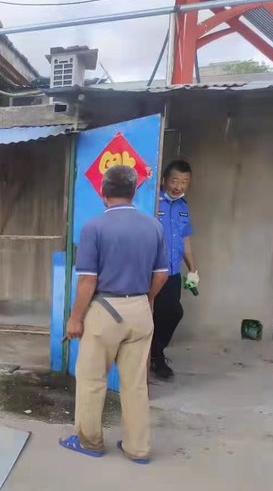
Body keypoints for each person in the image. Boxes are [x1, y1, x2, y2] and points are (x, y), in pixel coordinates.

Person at [60, 165, 169, 464]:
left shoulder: (94, 227)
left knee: (92, 379)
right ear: (134, 191)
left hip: (105, 311)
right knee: (135, 384)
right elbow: (161, 275)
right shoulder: (153, 226)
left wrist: (75, 318)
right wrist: (144, 300)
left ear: (102, 192)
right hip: (140, 310)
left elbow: (87, 281)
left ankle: (89, 441)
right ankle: (138, 448)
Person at [151, 160, 198, 380]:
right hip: (151, 272)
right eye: (174, 180)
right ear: (164, 180)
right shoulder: (153, 202)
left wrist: (193, 270)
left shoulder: (182, 207)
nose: (178, 186)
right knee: (150, 314)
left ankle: (156, 353)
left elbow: (185, 241)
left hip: (173, 273)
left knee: (172, 313)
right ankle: (150, 356)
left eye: (184, 182)